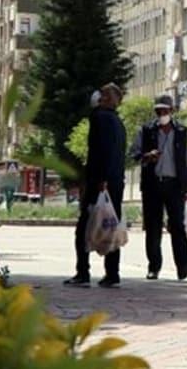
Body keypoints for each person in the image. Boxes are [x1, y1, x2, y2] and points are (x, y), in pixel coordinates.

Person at [65, 84, 127, 288]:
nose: (98, 96)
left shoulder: (99, 117)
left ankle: (82, 272)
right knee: (111, 225)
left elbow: (102, 151)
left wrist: (100, 181)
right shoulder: (118, 122)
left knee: (83, 227)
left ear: (109, 99)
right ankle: (112, 273)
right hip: (116, 182)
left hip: (100, 182)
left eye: (103, 94)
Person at [131, 95, 187, 281]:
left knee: (177, 227)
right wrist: (147, 156)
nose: (162, 114)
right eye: (158, 111)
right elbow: (134, 154)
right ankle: (154, 267)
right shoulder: (147, 130)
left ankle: (183, 265)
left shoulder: (182, 131)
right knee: (153, 227)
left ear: (172, 111)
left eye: (165, 111)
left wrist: (186, 186)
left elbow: (186, 160)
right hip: (153, 184)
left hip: (174, 185)